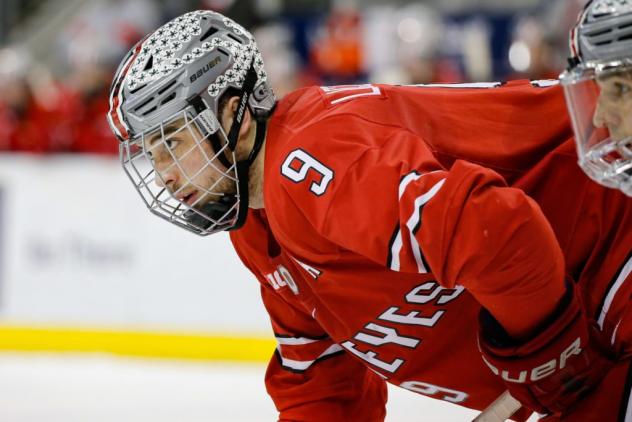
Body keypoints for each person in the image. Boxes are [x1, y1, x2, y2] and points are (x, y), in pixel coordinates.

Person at [107, 3, 631, 421]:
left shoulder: (314, 162)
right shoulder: (257, 223)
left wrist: (550, 353)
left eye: (170, 141)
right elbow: (322, 382)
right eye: (152, 151)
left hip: (614, 234)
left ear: (234, 115)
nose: (165, 171)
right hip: (585, 302)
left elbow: (498, 231)